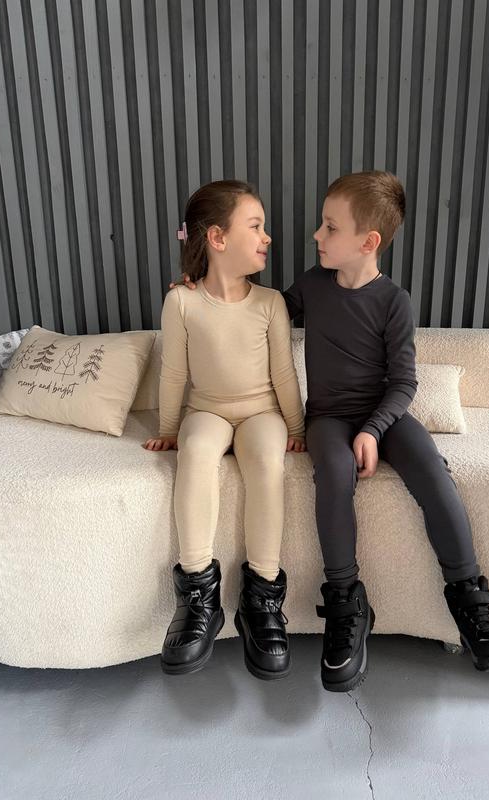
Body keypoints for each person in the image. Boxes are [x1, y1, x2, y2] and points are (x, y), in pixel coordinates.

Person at [172, 170, 489, 692]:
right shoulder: (311, 287)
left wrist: (375, 430)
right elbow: (256, 312)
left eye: (330, 227)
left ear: (368, 241)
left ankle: (471, 597)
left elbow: (404, 383)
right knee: (334, 471)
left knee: (432, 468)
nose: (316, 235)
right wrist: (201, 291)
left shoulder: (394, 301)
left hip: (385, 415)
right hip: (328, 419)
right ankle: (345, 601)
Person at [145, 179, 306, 681]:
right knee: (194, 452)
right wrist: (169, 428)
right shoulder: (182, 302)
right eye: (255, 226)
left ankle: (262, 597)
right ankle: (198, 595)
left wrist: (296, 427)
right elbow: (173, 373)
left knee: (266, 463)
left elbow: (284, 374)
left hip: (261, 412)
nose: (267, 237)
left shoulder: (271, 302)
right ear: (217, 238)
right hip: (207, 410)